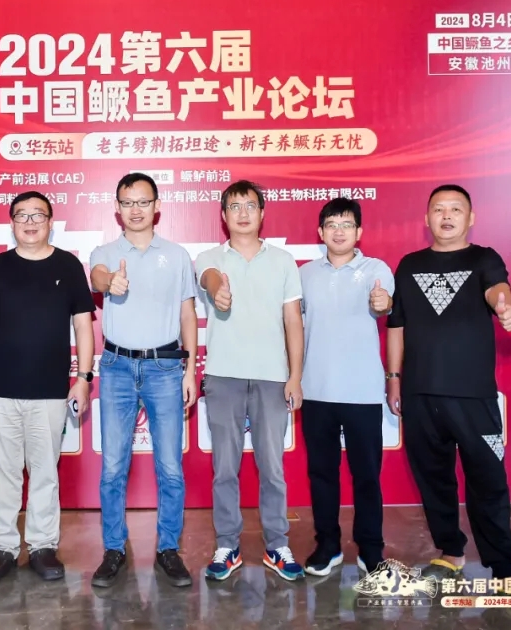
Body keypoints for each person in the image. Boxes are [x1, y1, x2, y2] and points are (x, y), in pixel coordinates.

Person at [386, 184, 511, 582]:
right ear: (426, 218)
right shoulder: (409, 265)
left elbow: (497, 288)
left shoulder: (484, 258)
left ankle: (502, 566)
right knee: (433, 479)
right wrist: (394, 378)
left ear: (471, 218)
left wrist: (504, 306)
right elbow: (396, 326)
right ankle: (451, 552)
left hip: (472, 395)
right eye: (439, 209)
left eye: (455, 209)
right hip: (419, 392)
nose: (446, 215)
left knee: (488, 480)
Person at [0, 191, 96, 583]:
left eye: (38, 215)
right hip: (0, 388)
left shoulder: (68, 265)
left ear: (51, 221)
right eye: (22, 215)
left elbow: (83, 325)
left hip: (50, 390)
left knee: (45, 471)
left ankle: (42, 546)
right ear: (12, 223)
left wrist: (83, 379)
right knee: (4, 472)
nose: (30, 222)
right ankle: (3, 547)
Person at [87, 173, 199, 589]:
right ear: (117, 208)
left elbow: (187, 313)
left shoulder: (177, 255)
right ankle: (113, 549)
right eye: (127, 202)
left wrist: (190, 369)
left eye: (143, 201)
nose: (135, 210)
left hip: (165, 369)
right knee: (113, 467)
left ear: (157, 206)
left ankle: (168, 548)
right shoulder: (104, 252)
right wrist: (109, 282)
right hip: (117, 367)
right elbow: (98, 277)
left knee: (169, 467)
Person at [196, 180, 305, 582]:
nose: (242, 213)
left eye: (250, 206)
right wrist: (217, 289)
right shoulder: (210, 257)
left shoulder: (283, 261)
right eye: (234, 206)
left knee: (272, 467)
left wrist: (295, 376)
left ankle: (277, 545)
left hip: (272, 378)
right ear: (223, 215)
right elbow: (208, 277)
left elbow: (293, 321)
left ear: (262, 213)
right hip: (222, 376)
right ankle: (228, 545)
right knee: (225, 467)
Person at [297, 198, 394, 577]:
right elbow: (291, 325)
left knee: (366, 475)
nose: (339, 231)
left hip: (362, 391)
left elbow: (383, 304)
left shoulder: (376, 269)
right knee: (322, 474)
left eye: (347, 224)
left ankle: (371, 549)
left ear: (359, 232)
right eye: (332, 224)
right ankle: (328, 545)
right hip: (316, 389)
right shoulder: (304, 274)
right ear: (320, 232)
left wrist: (382, 302)